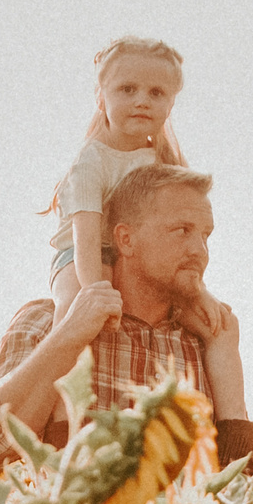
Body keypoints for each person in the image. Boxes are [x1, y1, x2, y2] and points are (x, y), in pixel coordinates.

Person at [0, 163, 253, 471]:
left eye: (205, 235)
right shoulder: (46, 321)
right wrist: (68, 336)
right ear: (125, 239)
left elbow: (241, 477)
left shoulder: (206, 340)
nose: (200, 250)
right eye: (182, 230)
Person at [45, 38, 190, 313]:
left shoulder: (163, 164)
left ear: (170, 105)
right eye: (127, 89)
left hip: (137, 259)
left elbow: (181, 234)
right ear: (101, 97)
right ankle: (63, 352)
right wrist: (94, 292)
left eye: (156, 93)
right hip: (84, 256)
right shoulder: (92, 162)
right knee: (76, 306)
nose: (142, 101)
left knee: (215, 322)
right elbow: (85, 239)